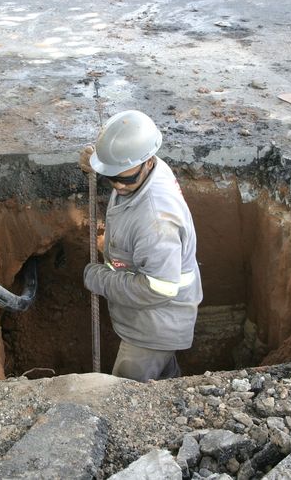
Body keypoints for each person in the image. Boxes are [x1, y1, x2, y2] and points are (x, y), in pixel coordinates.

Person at [80, 109, 203, 382]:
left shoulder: (156, 222)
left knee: (126, 389)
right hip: (152, 317)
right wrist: (98, 163)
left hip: (155, 326)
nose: (117, 185)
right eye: (110, 177)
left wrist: (99, 278)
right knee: (165, 377)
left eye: (125, 179)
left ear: (147, 162)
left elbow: (158, 289)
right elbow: (119, 170)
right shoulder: (142, 168)